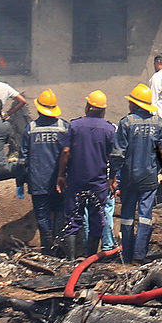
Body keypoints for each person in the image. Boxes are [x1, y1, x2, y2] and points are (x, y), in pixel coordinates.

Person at [113, 83, 162, 263]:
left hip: (130, 179)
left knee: (128, 217)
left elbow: (118, 154)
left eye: (131, 102)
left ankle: (128, 255)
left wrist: (112, 176)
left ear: (136, 104)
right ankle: (140, 256)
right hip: (149, 178)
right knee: (145, 216)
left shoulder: (126, 123)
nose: (129, 105)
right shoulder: (158, 123)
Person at [57, 91, 118, 258]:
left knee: (73, 218)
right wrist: (112, 179)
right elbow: (112, 157)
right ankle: (90, 258)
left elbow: (66, 151)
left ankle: (71, 259)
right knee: (97, 219)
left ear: (87, 107)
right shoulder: (109, 129)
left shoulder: (75, 126)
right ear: (103, 110)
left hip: (76, 181)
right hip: (97, 183)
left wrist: (61, 175)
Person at [21, 90, 68, 251]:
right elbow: (70, 154)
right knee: (60, 211)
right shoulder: (64, 127)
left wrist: (20, 181)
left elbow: (23, 160)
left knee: (42, 214)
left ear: (39, 108)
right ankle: (59, 246)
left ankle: (47, 249)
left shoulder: (30, 129)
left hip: (38, 180)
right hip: (59, 181)